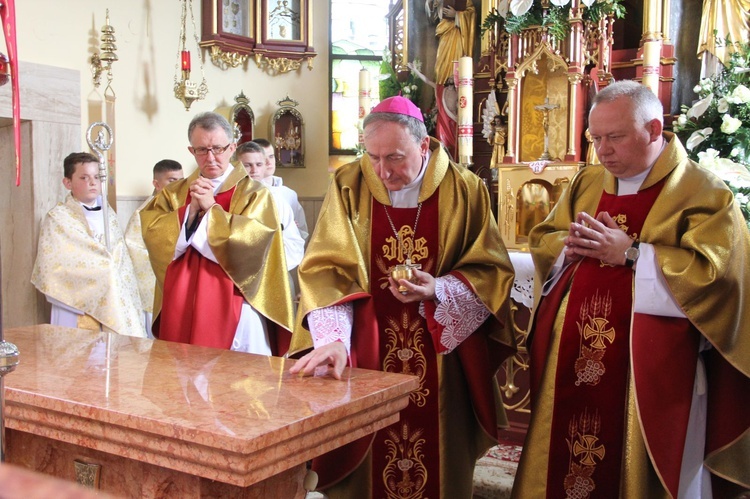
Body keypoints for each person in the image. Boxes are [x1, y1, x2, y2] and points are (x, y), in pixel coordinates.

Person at [513, 81, 750, 498]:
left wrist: (635, 253)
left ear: (655, 129)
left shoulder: (704, 193)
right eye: (595, 138)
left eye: (615, 137)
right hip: (573, 359)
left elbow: (720, 279)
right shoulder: (587, 184)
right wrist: (565, 249)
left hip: (653, 372)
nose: (603, 151)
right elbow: (544, 237)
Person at [288, 96, 517, 498]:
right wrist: (335, 341)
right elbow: (325, 269)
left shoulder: (465, 189)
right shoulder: (348, 184)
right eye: (372, 157)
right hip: (367, 347)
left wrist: (440, 290)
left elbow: (492, 271)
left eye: (394, 157)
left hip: (440, 355)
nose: (382, 171)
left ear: (424, 145)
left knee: (438, 456)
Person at [139, 112, 295, 355]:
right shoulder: (173, 193)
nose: (210, 158)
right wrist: (189, 213)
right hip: (183, 302)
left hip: (237, 301)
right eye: (202, 150)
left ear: (232, 148)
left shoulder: (254, 194)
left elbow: (254, 245)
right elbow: (153, 234)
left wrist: (212, 210)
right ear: (191, 151)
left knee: (242, 380)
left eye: (218, 149)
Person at [31, 152, 146, 338]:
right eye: (84, 178)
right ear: (67, 183)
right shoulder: (58, 218)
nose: (92, 183)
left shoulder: (109, 216)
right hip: (76, 304)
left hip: (115, 301)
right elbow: (55, 264)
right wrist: (104, 270)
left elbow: (121, 260)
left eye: (97, 177)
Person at [124, 159, 184, 338]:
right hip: (155, 289)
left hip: (180, 284)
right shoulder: (143, 214)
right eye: (172, 181)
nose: (179, 185)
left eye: (182, 180)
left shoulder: (184, 208)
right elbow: (135, 250)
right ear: (156, 184)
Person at [234, 140, 305, 268]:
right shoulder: (229, 196)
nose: (254, 170)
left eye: (259, 164)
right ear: (236, 166)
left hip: (273, 268)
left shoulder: (277, 199)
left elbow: (295, 242)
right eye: (247, 165)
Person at [253, 137, 309, 240]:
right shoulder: (249, 192)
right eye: (263, 158)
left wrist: (293, 230)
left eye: (271, 156)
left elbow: (302, 232)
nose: (269, 162)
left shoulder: (289, 194)